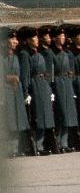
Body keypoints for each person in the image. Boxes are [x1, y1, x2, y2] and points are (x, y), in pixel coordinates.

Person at [18, 27, 56, 155]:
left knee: (45, 117)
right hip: (34, 87)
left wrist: (49, 89)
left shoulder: (39, 53)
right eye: (33, 38)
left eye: (36, 38)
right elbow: (25, 75)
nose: (36, 40)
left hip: (43, 86)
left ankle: (41, 144)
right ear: (28, 40)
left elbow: (46, 73)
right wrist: (26, 93)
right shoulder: (25, 54)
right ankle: (36, 146)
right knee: (36, 117)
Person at [46, 26, 79, 152]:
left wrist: (72, 85)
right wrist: (50, 90)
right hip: (58, 85)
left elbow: (71, 71)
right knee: (60, 114)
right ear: (55, 38)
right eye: (60, 36)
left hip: (67, 84)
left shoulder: (66, 53)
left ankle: (64, 143)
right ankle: (58, 142)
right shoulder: (51, 54)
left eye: (64, 36)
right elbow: (50, 73)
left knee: (68, 114)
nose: (63, 38)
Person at [1, 27, 30, 157]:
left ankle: (15, 148)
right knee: (8, 121)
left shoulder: (16, 57)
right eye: (12, 39)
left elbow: (22, 76)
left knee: (17, 120)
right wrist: (7, 78)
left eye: (16, 38)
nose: (15, 41)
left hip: (16, 92)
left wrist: (25, 93)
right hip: (5, 92)